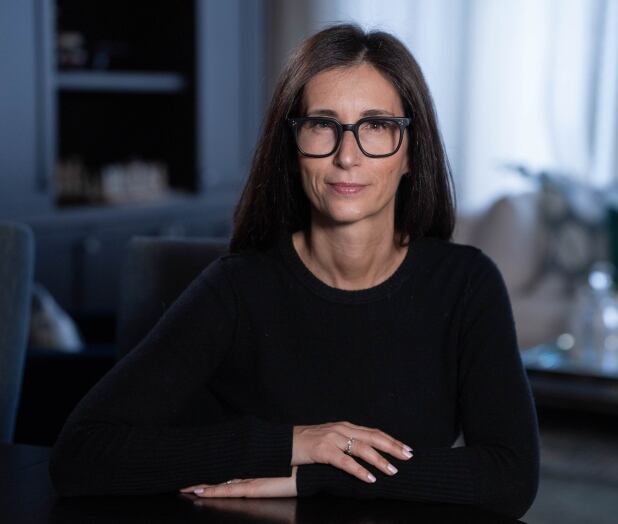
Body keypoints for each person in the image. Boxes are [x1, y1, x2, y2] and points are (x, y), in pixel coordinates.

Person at [49, 24, 539, 518]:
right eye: (322, 125)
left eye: (375, 125)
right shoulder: (237, 287)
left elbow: (511, 476)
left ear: (411, 149)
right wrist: (288, 444)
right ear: (293, 144)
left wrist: (318, 476)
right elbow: (80, 455)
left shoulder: (466, 284)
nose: (347, 156)